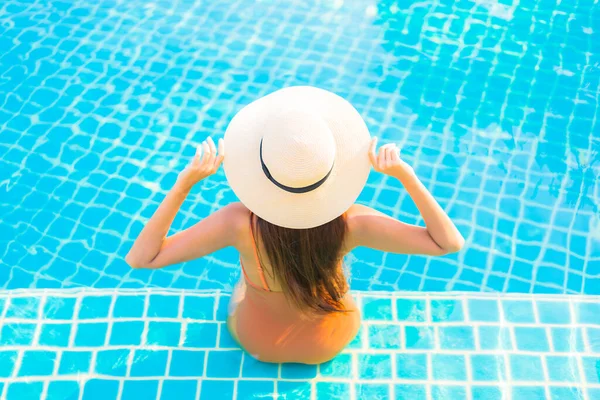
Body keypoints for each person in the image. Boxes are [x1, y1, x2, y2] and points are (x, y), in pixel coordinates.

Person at [126, 86, 464, 364]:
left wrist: (185, 183)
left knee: (243, 285)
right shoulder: (352, 222)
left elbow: (142, 258)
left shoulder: (237, 223)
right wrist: (406, 175)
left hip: (259, 345)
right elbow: (447, 243)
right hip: (331, 342)